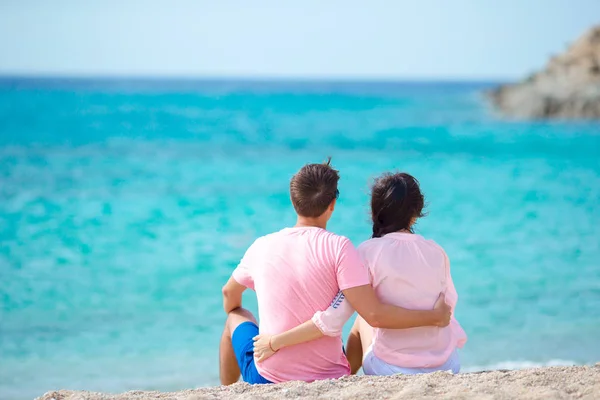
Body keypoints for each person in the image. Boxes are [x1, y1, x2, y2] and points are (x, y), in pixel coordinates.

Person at [220, 161, 452, 385]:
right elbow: (367, 314)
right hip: (331, 375)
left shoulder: (261, 245)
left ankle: (228, 389)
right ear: (332, 205)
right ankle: (348, 373)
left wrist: (241, 311)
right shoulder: (340, 247)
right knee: (361, 317)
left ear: (293, 201)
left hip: (269, 376)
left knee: (236, 316)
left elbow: (228, 293)